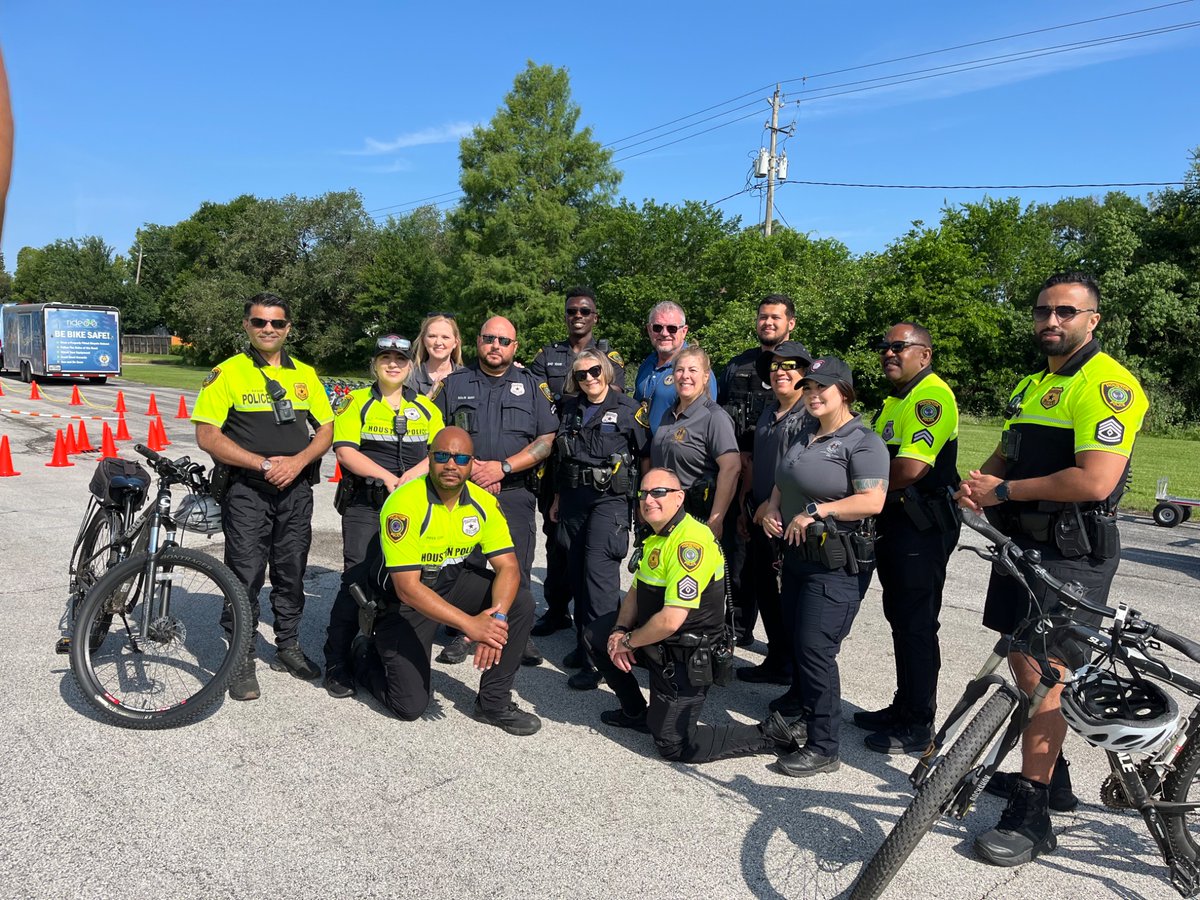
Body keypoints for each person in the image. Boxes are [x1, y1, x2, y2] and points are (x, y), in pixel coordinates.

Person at [959, 272, 1148, 867]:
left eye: (1066, 311)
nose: (1051, 321)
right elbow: (1008, 449)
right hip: (1020, 543)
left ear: (1093, 319)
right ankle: (1053, 772)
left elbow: (1096, 480)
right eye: (1043, 311)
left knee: (1047, 676)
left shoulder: (1107, 384)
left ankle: (1033, 812)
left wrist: (1004, 490)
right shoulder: (1035, 382)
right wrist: (977, 484)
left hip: (1072, 552)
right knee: (1020, 654)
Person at [586, 468, 806, 762]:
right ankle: (636, 712)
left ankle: (767, 734)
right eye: (643, 494)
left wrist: (628, 642)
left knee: (674, 745)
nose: (648, 499)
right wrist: (619, 630)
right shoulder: (658, 535)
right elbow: (637, 591)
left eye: (658, 493)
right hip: (657, 642)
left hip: (685, 655)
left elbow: (671, 620)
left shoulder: (690, 543)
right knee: (597, 636)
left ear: (679, 498)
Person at [351, 427, 541, 735]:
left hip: (452, 582)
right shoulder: (405, 504)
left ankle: (493, 703)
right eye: (442, 456)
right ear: (429, 459)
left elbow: (508, 566)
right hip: (405, 602)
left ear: (471, 463)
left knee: (520, 602)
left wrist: (497, 619)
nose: (451, 465)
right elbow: (407, 588)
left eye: (461, 458)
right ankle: (364, 654)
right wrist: (470, 625)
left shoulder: (483, 502)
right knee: (409, 706)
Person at [192, 293, 334, 701]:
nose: (267, 329)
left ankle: (288, 645)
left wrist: (299, 460)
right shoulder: (227, 373)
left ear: (288, 328)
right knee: (245, 573)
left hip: (296, 490)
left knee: (291, 570)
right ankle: (241, 656)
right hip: (248, 491)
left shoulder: (305, 373)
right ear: (246, 326)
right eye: (259, 322)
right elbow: (208, 435)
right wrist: (263, 464)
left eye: (276, 323)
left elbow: (325, 428)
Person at [761, 356, 888, 776]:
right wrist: (771, 507)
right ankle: (804, 711)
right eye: (809, 389)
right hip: (798, 556)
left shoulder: (862, 441)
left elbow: (873, 501)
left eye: (823, 389)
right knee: (799, 641)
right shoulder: (806, 433)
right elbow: (784, 478)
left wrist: (817, 510)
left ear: (845, 393)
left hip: (835, 563)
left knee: (817, 649)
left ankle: (824, 744)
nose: (813, 396)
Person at [321, 334, 444, 699]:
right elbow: (344, 451)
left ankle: (379, 650)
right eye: (385, 358)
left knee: (401, 583)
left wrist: (413, 474)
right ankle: (336, 662)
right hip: (367, 505)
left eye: (401, 360)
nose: (393, 364)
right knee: (357, 582)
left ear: (410, 366)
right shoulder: (355, 402)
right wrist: (390, 478)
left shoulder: (426, 407)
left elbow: (438, 451)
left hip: (410, 510)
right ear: (374, 364)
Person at [857, 323, 961, 754]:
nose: (889, 354)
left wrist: (859, 488)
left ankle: (918, 725)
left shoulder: (930, 397)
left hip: (921, 524)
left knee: (917, 623)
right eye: (884, 347)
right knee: (901, 617)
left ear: (925, 354)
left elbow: (911, 469)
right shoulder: (897, 400)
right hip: (898, 522)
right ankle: (903, 706)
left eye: (899, 347)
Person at [432, 316, 558, 666]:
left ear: (515, 347)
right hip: (464, 491)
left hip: (514, 491)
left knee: (516, 563)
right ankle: (464, 631)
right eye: (489, 339)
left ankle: (519, 632)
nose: (496, 346)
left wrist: (503, 467)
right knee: (466, 561)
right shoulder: (454, 384)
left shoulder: (532, 386)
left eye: (504, 341)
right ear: (477, 341)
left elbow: (546, 439)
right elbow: (434, 436)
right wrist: (472, 470)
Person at [529, 286, 627, 638]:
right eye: (572, 311)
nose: (578, 316)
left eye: (585, 311)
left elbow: (611, 397)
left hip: (596, 461)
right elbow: (541, 402)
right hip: (557, 460)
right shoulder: (547, 355)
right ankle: (557, 611)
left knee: (594, 553)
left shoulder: (610, 357)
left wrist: (569, 396)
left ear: (595, 317)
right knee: (557, 541)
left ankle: (593, 626)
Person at [548, 349, 646, 689]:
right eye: (581, 375)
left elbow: (646, 458)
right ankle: (584, 643)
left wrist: (645, 503)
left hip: (610, 502)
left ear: (605, 372)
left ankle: (599, 659)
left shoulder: (629, 410)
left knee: (599, 579)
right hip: (574, 499)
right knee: (575, 573)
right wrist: (558, 498)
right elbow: (563, 458)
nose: (588, 378)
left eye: (593, 371)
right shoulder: (570, 408)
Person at [719, 295, 799, 647]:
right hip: (740, 474)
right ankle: (739, 627)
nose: (768, 322)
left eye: (776, 318)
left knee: (777, 570)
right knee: (739, 557)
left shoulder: (803, 366)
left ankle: (783, 648)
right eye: (763, 317)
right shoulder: (738, 366)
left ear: (790, 323)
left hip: (779, 482)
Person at [737, 340, 812, 685]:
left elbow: (805, 470)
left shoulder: (810, 414)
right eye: (775, 366)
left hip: (787, 520)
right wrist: (745, 503)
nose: (781, 372)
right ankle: (777, 660)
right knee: (766, 591)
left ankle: (795, 672)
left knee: (788, 600)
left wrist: (774, 504)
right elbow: (754, 460)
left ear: (804, 373)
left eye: (790, 366)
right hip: (758, 516)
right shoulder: (769, 408)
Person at [648, 347, 739, 539]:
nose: (685, 376)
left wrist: (716, 518)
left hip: (698, 516)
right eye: (679, 370)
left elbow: (731, 468)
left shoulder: (714, 417)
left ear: (706, 377)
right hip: (666, 515)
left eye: (692, 370)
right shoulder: (668, 414)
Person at [634, 301, 716, 435]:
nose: (664, 333)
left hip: (675, 452)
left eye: (672, 328)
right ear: (649, 329)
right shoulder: (647, 364)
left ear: (684, 331)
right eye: (657, 328)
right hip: (643, 452)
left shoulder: (696, 369)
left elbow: (705, 422)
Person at [412, 313, 465, 395]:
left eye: (445, 337)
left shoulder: (467, 378)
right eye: (432, 336)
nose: (438, 342)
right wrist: (430, 395)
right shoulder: (411, 377)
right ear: (423, 341)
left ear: (455, 343)